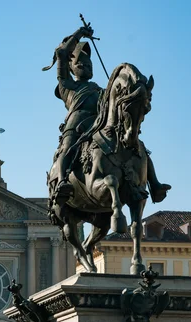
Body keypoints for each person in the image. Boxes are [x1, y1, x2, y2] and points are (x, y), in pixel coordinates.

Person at [48, 25, 170, 207]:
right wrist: (80, 34)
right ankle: (63, 182)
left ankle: (154, 184)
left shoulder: (100, 90)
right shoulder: (67, 86)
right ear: (72, 69)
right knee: (68, 147)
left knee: (138, 145)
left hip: (100, 123)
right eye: (80, 64)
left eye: (89, 64)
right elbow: (62, 54)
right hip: (78, 124)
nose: (86, 66)